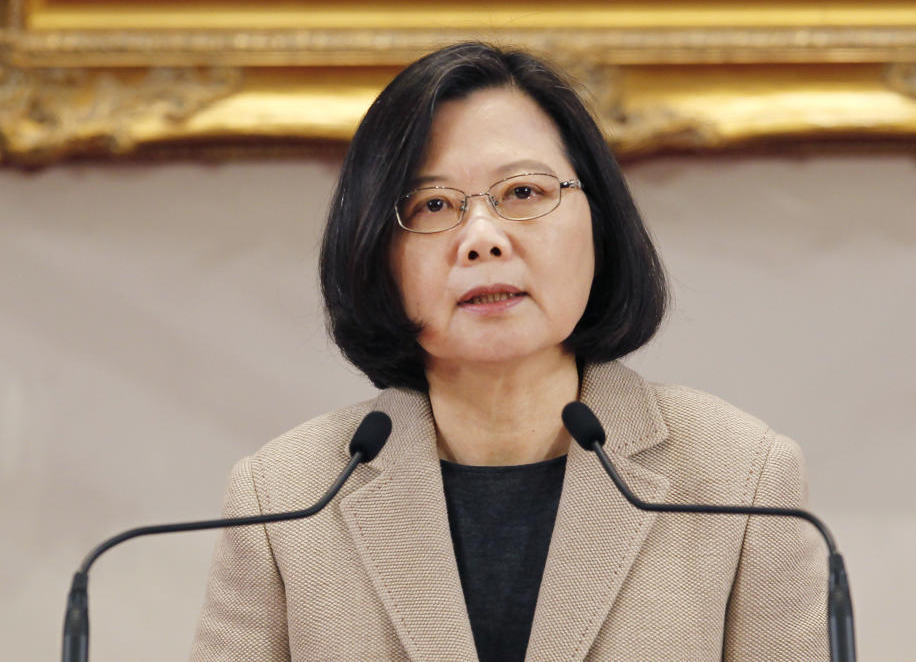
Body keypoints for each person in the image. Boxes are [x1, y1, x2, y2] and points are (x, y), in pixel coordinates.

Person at [190, 42, 828, 661]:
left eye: (523, 193)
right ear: (374, 251)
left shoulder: (741, 480)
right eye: (433, 204)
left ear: (598, 222)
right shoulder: (285, 498)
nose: (482, 239)